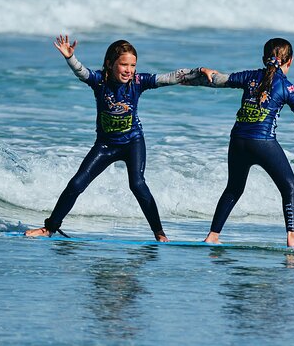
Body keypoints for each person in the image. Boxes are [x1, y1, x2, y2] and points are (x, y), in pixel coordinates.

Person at [25, 35, 209, 241]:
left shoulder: (139, 82)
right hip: (105, 145)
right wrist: (70, 57)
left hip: (133, 143)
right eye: (123, 65)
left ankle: (159, 233)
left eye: (132, 65)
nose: (129, 70)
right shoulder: (99, 81)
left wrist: (199, 71)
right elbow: (81, 72)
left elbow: (170, 77)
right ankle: (49, 227)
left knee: (138, 185)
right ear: (110, 64)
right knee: (77, 184)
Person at [196, 37, 294, 248]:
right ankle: (293, 237)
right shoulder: (286, 87)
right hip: (263, 143)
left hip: (237, 142)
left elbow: (217, 80)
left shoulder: (248, 77)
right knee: (289, 186)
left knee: (234, 189)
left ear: (264, 58)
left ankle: (212, 235)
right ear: (290, 61)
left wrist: (203, 70)